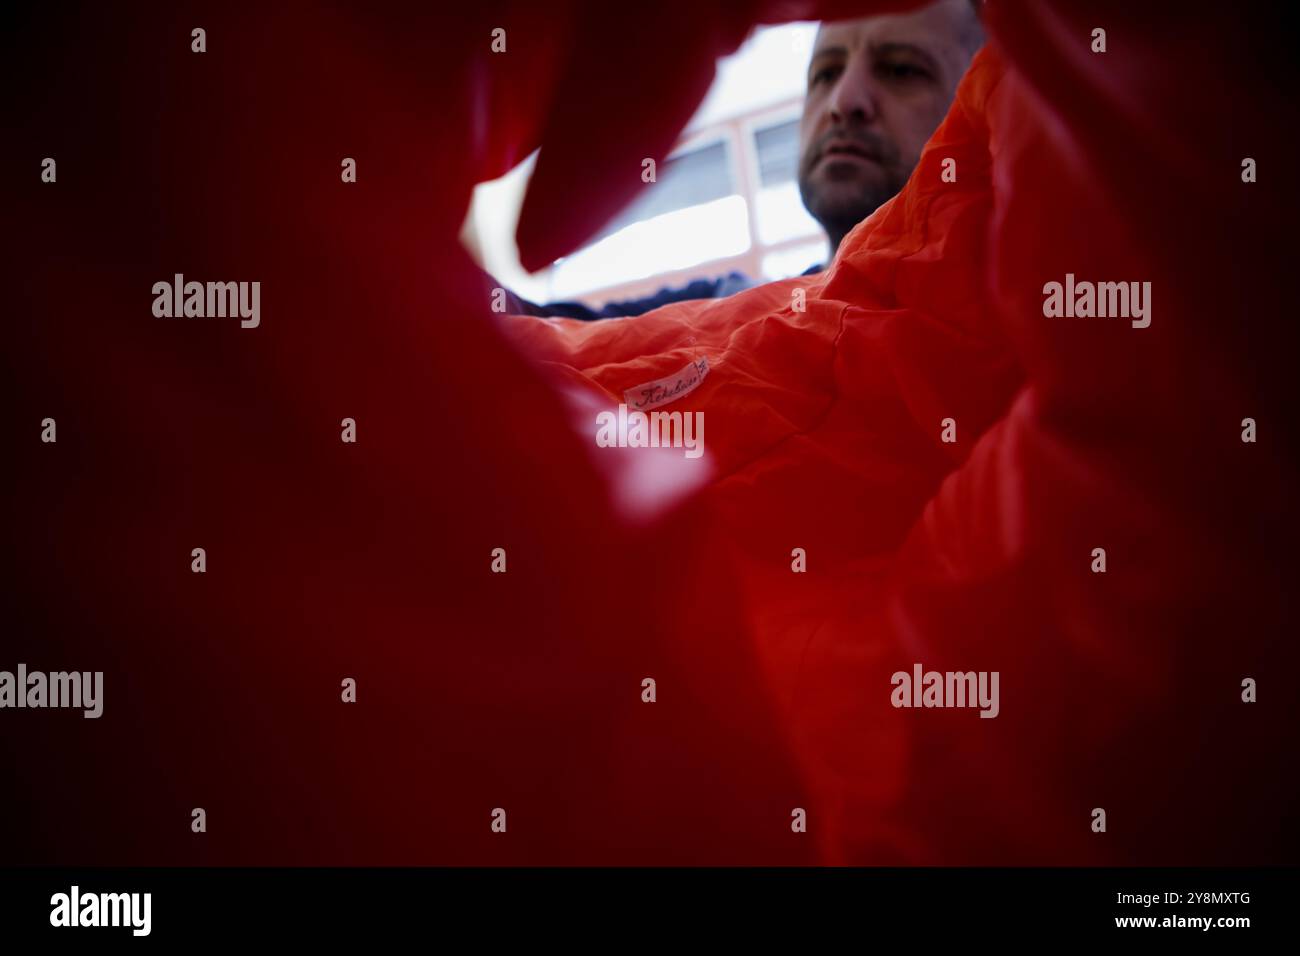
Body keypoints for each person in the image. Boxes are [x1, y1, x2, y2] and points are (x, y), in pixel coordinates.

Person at [510, 0, 983, 319]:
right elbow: (537, 332)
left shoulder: (1022, 340)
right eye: (825, 73)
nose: (844, 100)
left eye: (901, 69)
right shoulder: (723, 303)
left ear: (984, 107)